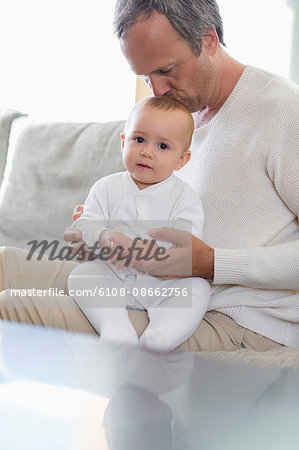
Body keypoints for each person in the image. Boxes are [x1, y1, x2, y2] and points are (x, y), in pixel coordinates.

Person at [1, 0, 298, 350]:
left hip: (236, 318)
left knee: (10, 307)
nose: (157, 90)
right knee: (4, 262)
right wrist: (102, 241)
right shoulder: (179, 119)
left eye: (167, 69)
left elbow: (198, 258)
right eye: (145, 75)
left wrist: (212, 264)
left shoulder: (282, 112)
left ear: (209, 40)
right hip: (144, 285)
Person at [67, 96, 211, 352]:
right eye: (139, 139)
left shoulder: (185, 198)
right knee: (82, 275)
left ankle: (161, 336)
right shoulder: (106, 187)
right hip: (114, 275)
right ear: (124, 142)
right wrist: (103, 235)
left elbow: (184, 248)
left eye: (163, 146)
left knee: (198, 289)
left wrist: (138, 250)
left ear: (182, 159)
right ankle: (114, 328)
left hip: (162, 284)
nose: (147, 151)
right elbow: (85, 224)